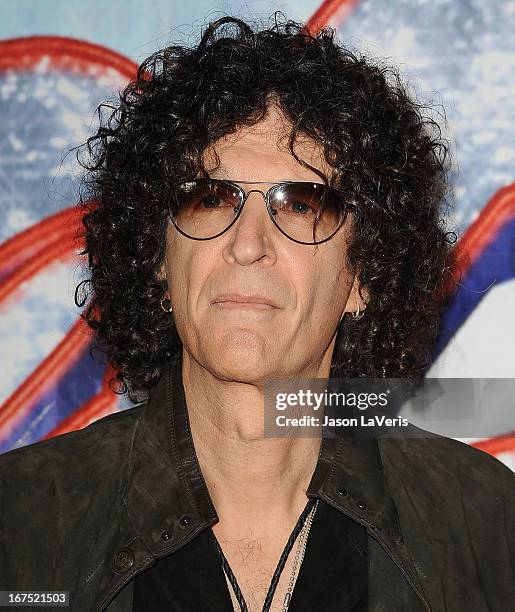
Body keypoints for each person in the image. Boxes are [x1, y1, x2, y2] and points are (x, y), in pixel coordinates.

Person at [1, 13, 514, 612]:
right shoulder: (23, 521)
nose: (247, 244)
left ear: (362, 278)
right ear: (161, 259)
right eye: (209, 197)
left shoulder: (483, 525)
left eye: (301, 206)